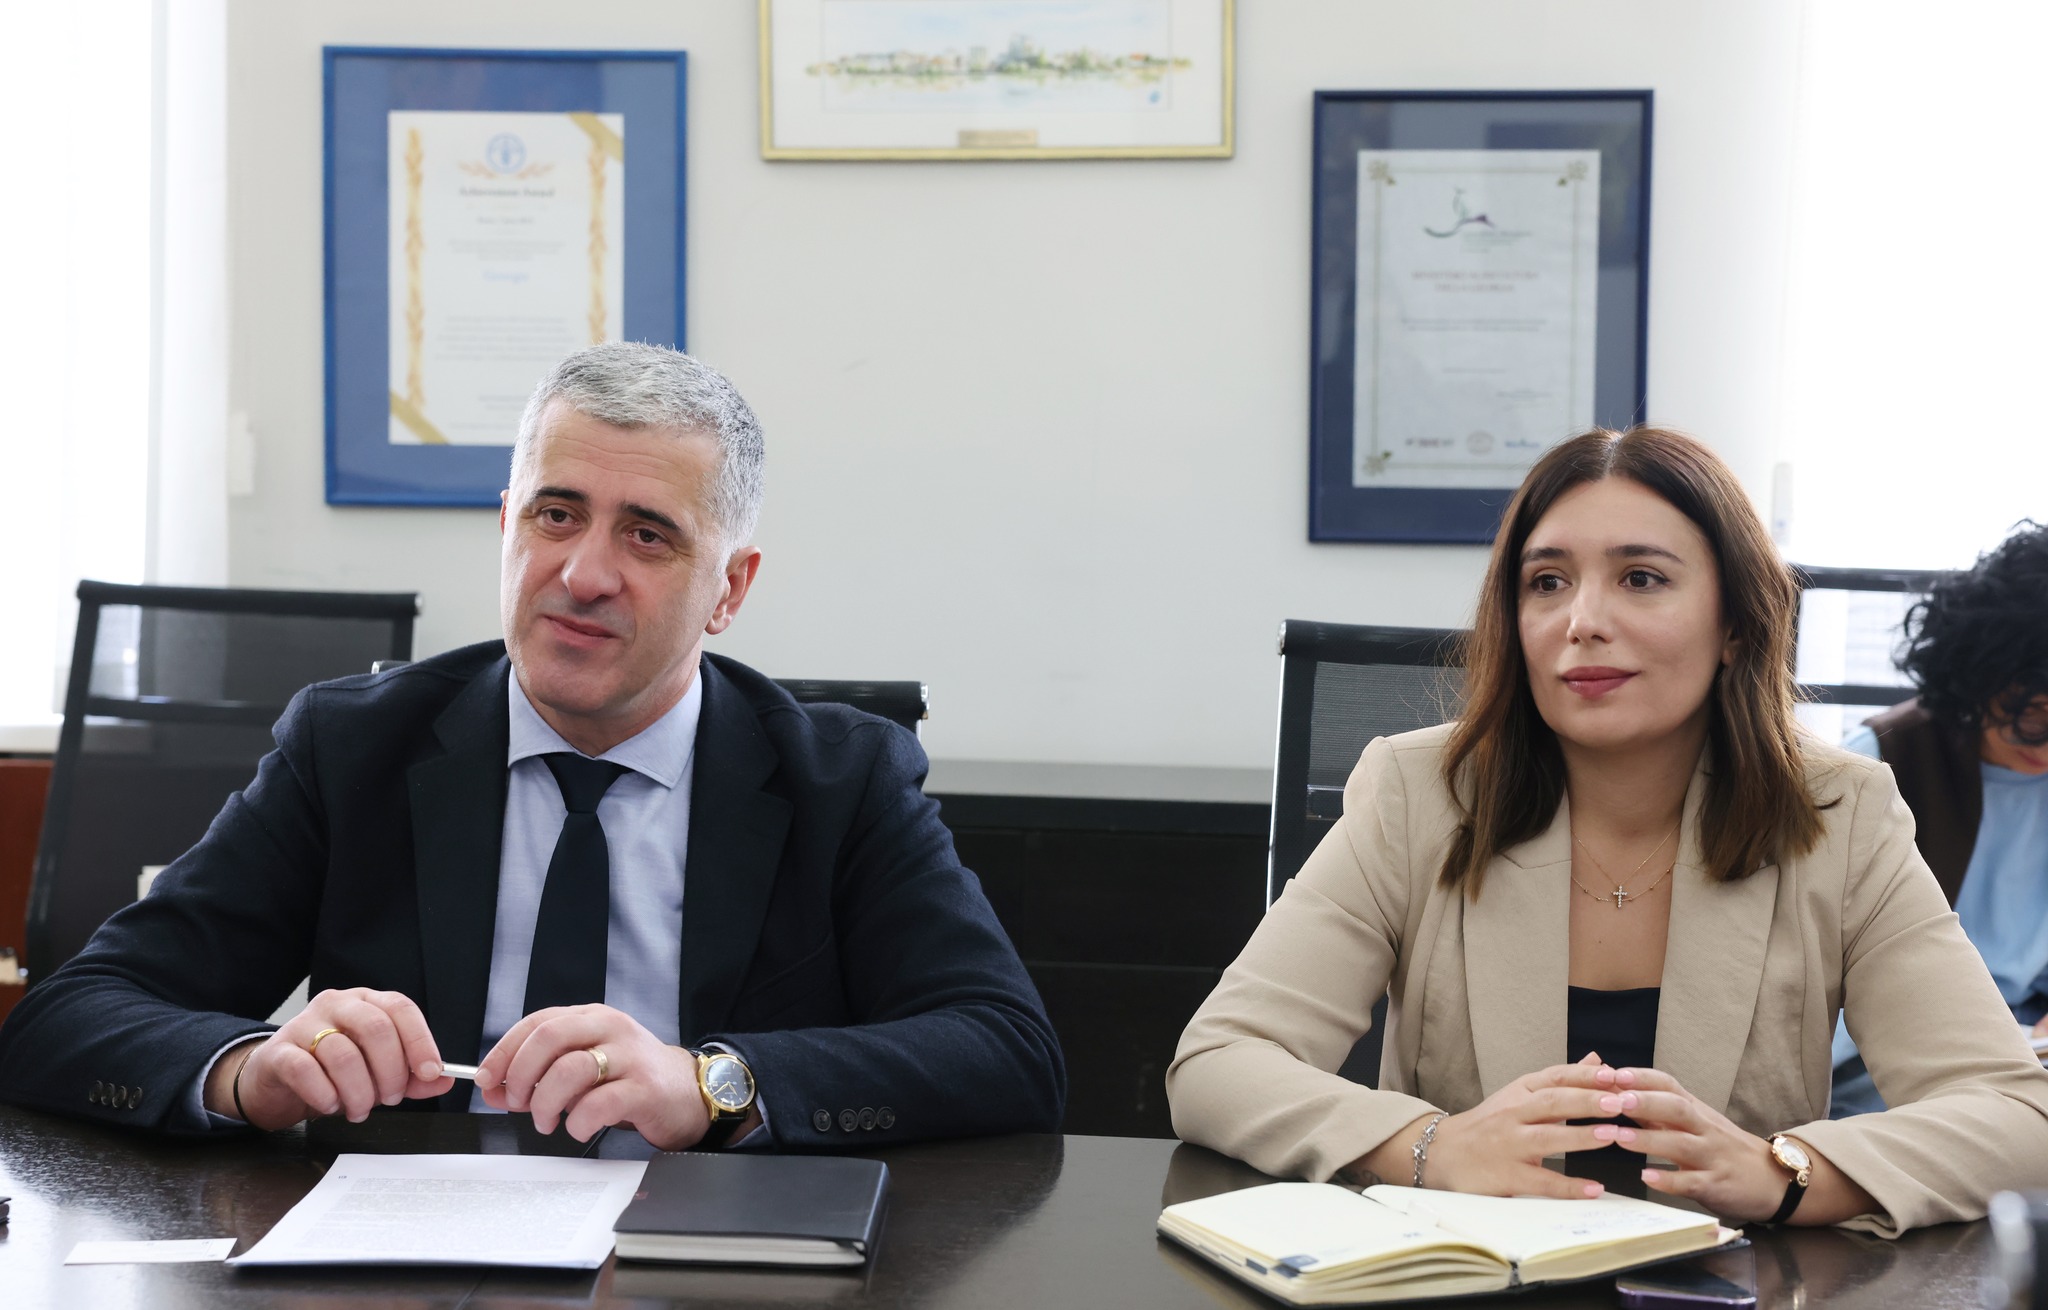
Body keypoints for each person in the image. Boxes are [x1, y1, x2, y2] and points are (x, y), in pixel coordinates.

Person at [0, 341, 1064, 1149]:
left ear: (729, 589)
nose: (584, 574)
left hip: (707, 1258)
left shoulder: (841, 777)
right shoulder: (353, 746)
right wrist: (247, 1070)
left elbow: (1006, 1051)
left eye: (646, 533)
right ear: (506, 526)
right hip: (407, 1261)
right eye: (556, 515)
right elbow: (68, 1019)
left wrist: (712, 1084)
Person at [1167, 427, 2048, 1237]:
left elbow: (2018, 1117)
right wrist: (1433, 1146)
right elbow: (1219, 1061)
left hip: (1727, 1283)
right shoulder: (1419, 794)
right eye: (1546, 582)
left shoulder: (1840, 815)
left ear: (1736, 625)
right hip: (1466, 1277)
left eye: (1642, 578)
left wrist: (1784, 1171)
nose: (1581, 620)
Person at [1828, 521, 2048, 1115]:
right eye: (2033, 712)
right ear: (1983, 671)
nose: (2044, 743)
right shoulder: (1882, 761)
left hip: (2026, 1045)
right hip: (1891, 1057)